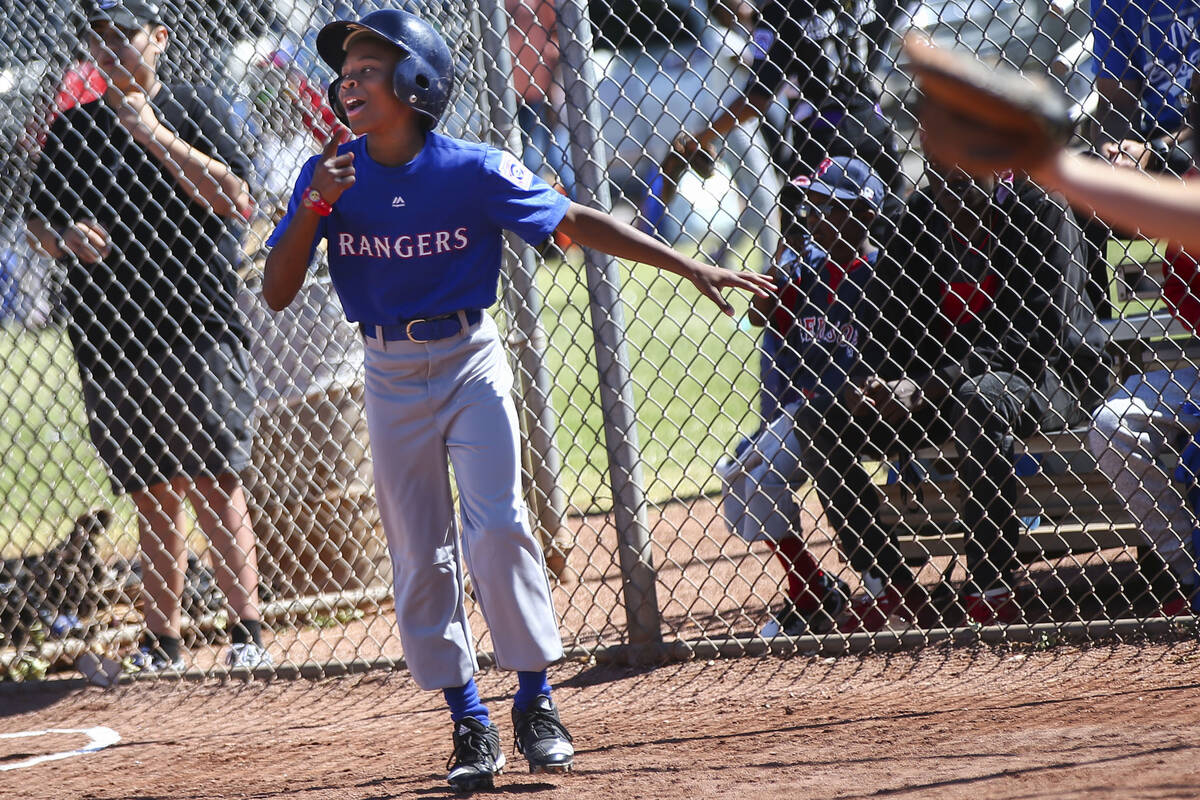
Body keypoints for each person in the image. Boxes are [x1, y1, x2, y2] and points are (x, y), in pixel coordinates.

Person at [261, 8, 771, 792]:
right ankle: (467, 718)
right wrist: (313, 207)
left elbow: (573, 221)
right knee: (420, 550)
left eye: (368, 70)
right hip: (387, 370)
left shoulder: (474, 169)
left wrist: (690, 267)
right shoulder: (330, 175)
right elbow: (278, 289)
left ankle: (536, 703)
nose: (348, 82)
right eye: (347, 72)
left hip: (468, 359)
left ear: (415, 83)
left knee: (498, 526)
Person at [24, 0, 272, 672]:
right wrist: (64, 237)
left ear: (158, 38)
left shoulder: (198, 107)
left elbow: (237, 199)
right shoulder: (73, 130)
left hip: (195, 326)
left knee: (216, 479)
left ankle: (245, 632)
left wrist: (155, 135)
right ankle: (163, 641)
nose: (108, 48)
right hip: (111, 337)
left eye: (122, 35)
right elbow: (37, 224)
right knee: (152, 488)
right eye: (97, 38)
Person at [797, 163, 1107, 629]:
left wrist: (927, 385)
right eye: (939, 169)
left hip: (1049, 377)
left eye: (964, 166)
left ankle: (992, 583)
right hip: (944, 386)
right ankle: (890, 584)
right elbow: (889, 316)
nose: (950, 181)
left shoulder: (1040, 204)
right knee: (821, 418)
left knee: (977, 400)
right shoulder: (923, 213)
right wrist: (874, 381)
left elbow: (1042, 329)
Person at [718, 156, 886, 637]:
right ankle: (809, 586)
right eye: (810, 205)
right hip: (803, 408)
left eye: (826, 207)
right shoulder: (806, 268)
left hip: (852, 409)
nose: (812, 217)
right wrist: (772, 292)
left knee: (759, 471)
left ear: (862, 215)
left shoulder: (877, 274)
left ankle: (826, 590)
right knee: (737, 475)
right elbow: (761, 317)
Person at [666, 0, 903, 224]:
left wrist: (702, 137)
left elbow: (758, 96)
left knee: (799, 233)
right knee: (887, 229)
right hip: (873, 121)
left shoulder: (780, 10)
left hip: (822, 133)